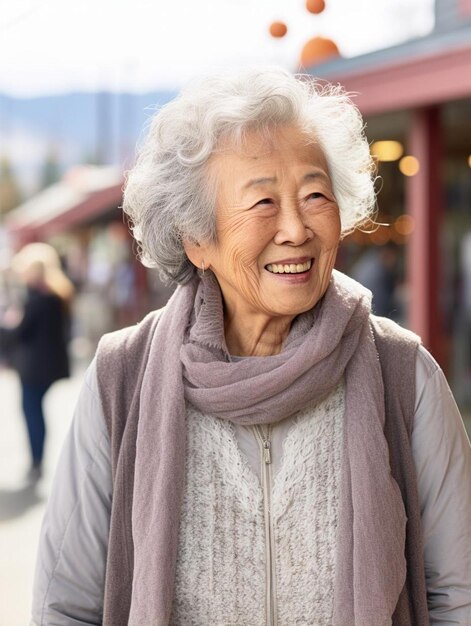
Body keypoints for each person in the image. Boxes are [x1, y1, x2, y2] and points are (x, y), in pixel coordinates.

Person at [32, 68, 471, 625]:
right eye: (263, 202)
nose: (296, 228)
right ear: (197, 239)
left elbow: (458, 596)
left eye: (315, 195)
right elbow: (64, 605)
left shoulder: (404, 374)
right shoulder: (123, 376)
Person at [0, 243, 73, 480]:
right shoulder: (55, 294)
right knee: (36, 411)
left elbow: (18, 332)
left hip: (34, 368)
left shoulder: (39, 298)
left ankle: (36, 461)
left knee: (32, 412)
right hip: (46, 365)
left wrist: (7, 324)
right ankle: (38, 460)